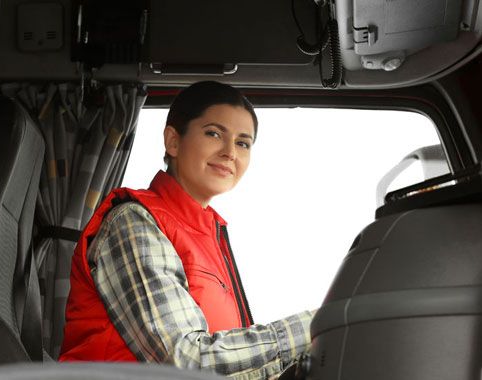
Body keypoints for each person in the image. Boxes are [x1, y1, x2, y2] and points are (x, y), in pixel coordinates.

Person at [59, 81, 314, 379]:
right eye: (214, 134)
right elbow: (185, 361)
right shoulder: (133, 223)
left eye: (243, 143)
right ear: (173, 142)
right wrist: (315, 326)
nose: (230, 152)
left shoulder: (205, 235)